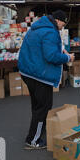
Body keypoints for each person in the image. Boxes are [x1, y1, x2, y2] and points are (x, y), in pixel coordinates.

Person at [18, 10, 74, 149]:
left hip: (29, 72)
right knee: (43, 107)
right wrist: (68, 57)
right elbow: (51, 56)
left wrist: (60, 50)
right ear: (59, 20)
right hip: (40, 75)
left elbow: (42, 48)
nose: (63, 27)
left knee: (37, 105)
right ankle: (33, 140)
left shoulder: (39, 27)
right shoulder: (50, 32)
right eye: (63, 24)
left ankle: (38, 130)